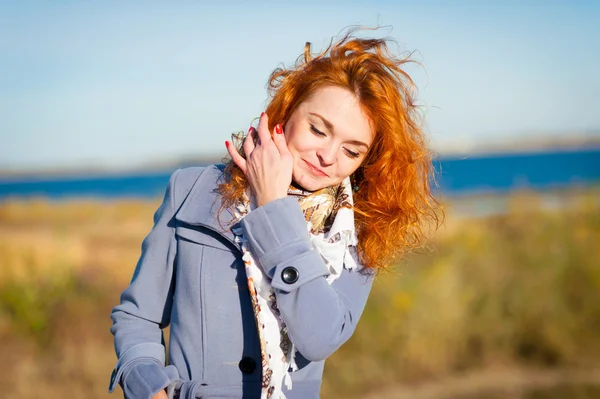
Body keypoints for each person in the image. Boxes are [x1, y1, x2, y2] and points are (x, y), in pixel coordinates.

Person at [108, 28, 440, 399]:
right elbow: (137, 316)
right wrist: (148, 387)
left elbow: (319, 338)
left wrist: (273, 207)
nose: (328, 156)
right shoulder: (193, 189)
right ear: (287, 111)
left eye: (351, 151)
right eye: (318, 129)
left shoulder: (358, 233)